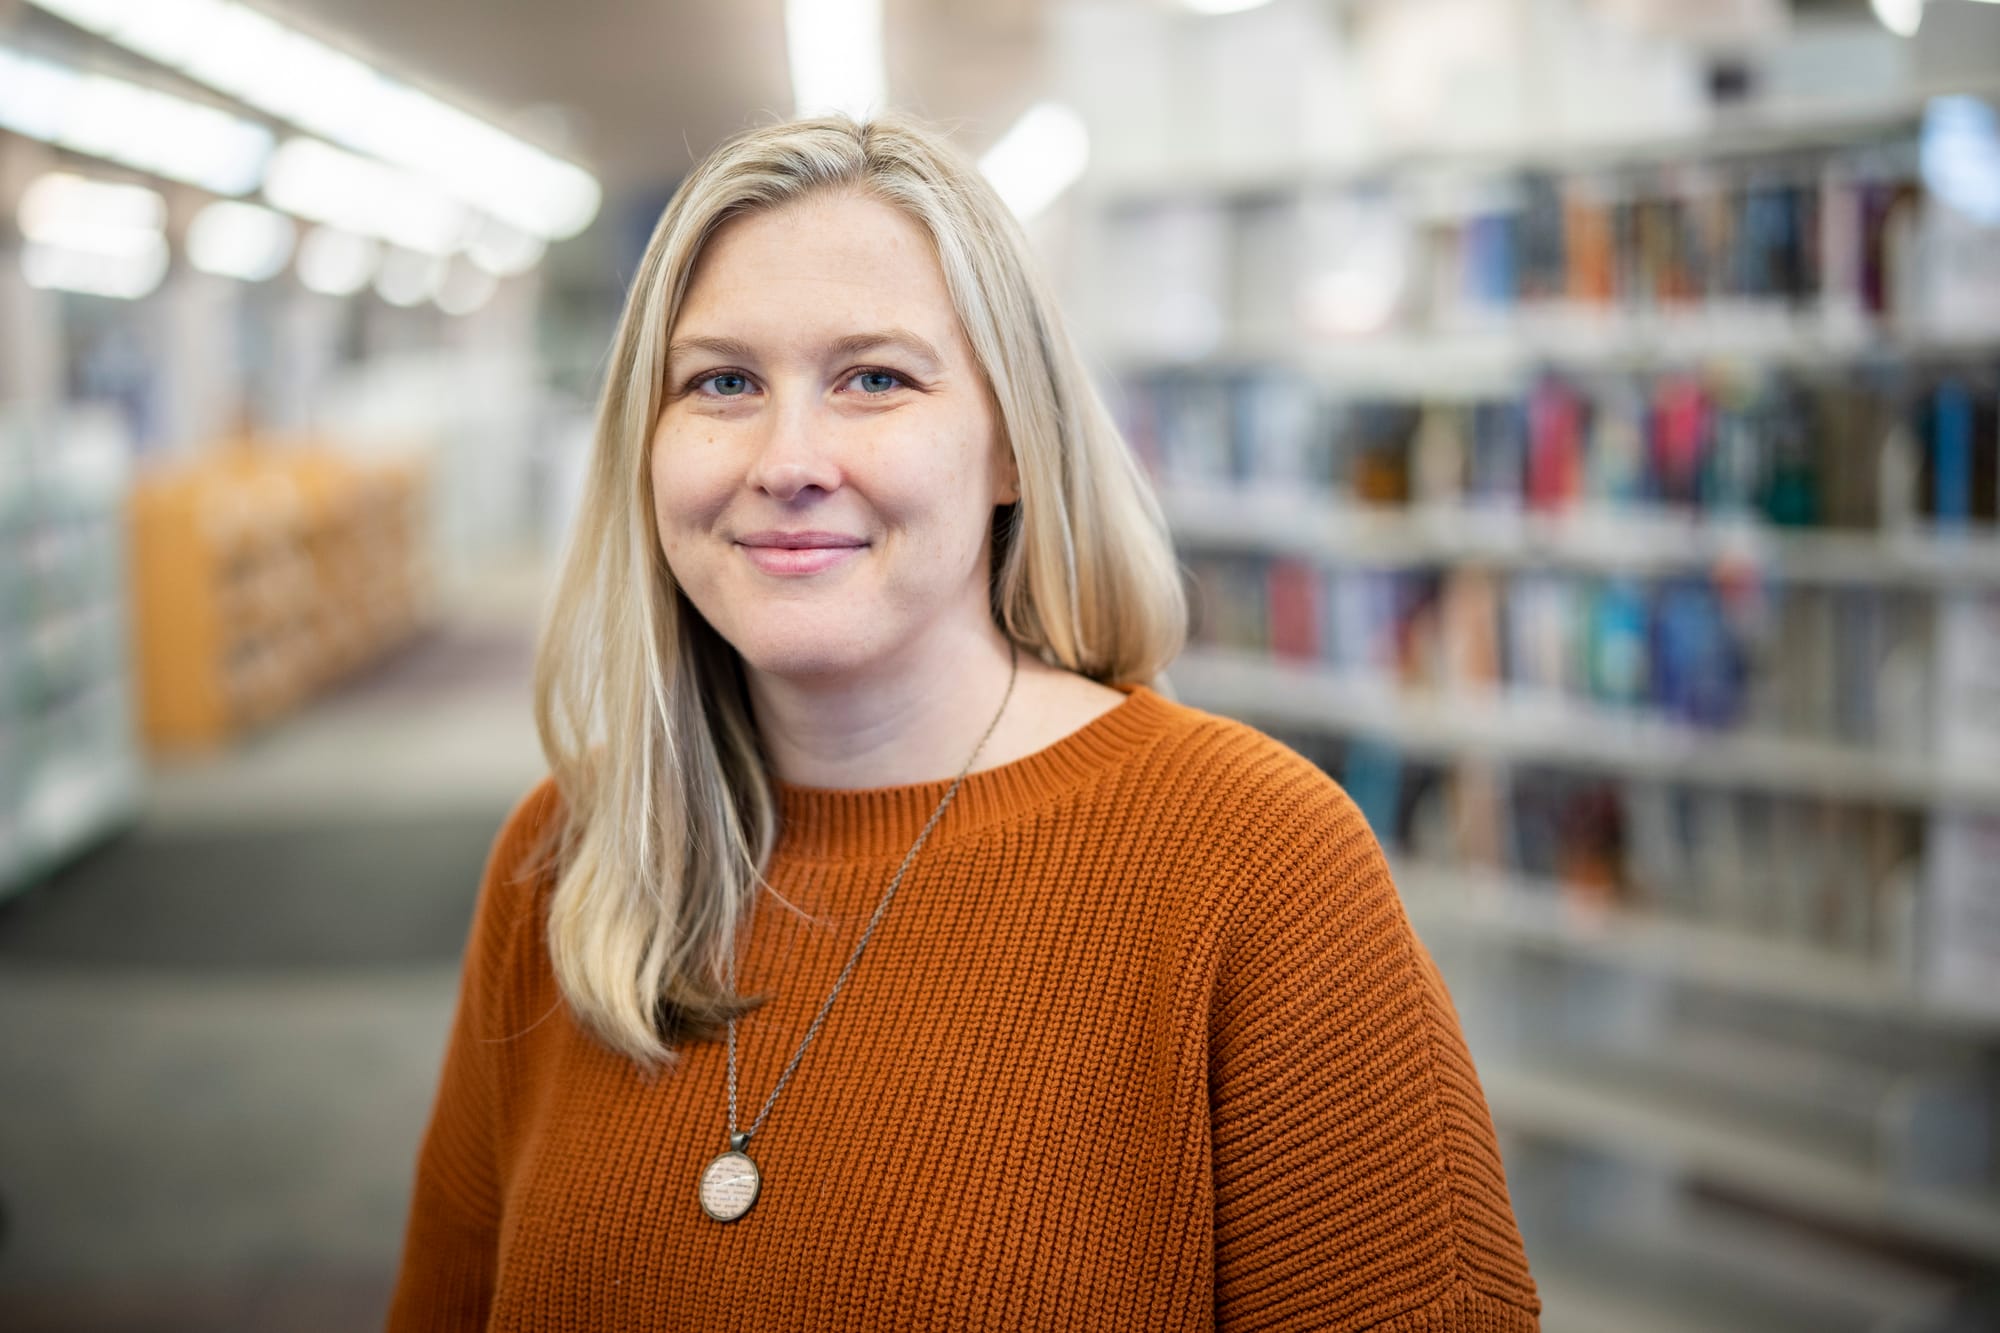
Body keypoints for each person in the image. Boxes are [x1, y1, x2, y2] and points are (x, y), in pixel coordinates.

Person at [387, 111, 1541, 1332]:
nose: (787, 458)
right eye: (721, 382)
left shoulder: (1255, 862)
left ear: (1009, 447)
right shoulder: (567, 853)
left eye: (873, 378)